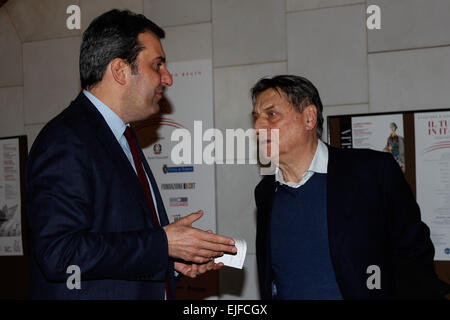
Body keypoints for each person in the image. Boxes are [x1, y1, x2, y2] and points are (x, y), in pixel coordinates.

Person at [25, 9, 236, 300]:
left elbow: (116, 239)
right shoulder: (66, 140)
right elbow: (60, 253)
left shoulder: (122, 136)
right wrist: (163, 244)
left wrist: (170, 260)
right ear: (121, 71)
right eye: (157, 65)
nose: (168, 78)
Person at [251, 75, 450, 300]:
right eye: (256, 117)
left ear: (309, 118)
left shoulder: (373, 172)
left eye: (271, 115)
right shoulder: (266, 192)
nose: (258, 127)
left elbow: (414, 259)